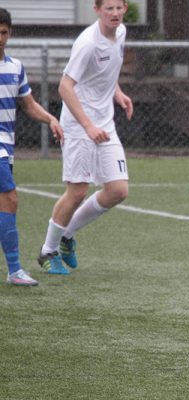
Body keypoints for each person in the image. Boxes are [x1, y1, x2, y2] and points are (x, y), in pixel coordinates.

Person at [37, 0, 133, 275]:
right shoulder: (88, 43)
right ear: (97, 10)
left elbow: (106, 71)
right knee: (77, 191)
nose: (114, 14)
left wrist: (118, 93)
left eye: (119, 8)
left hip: (104, 123)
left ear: (125, 8)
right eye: (109, 9)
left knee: (117, 190)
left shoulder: (121, 32)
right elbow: (65, 87)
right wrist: (88, 125)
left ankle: (66, 235)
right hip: (80, 126)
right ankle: (47, 251)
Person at [0, 8, 64, 286]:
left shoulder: (15, 67)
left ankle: (14, 270)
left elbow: (28, 105)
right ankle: (14, 270)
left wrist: (50, 118)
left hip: (6, 146)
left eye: (3, 32)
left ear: (10, 33)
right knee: (10, 198)